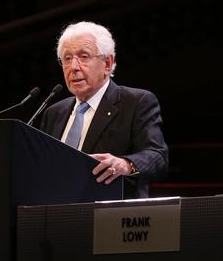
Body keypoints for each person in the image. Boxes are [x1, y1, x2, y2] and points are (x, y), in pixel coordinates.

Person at [39, 21, 169, 198]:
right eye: (67, 58)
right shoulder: (54, 112)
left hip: (111, 216)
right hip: (57, 215)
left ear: (107, 63)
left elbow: (158, 157)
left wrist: (125, 164)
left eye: (84, 56)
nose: (73, 67)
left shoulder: (136, 102)